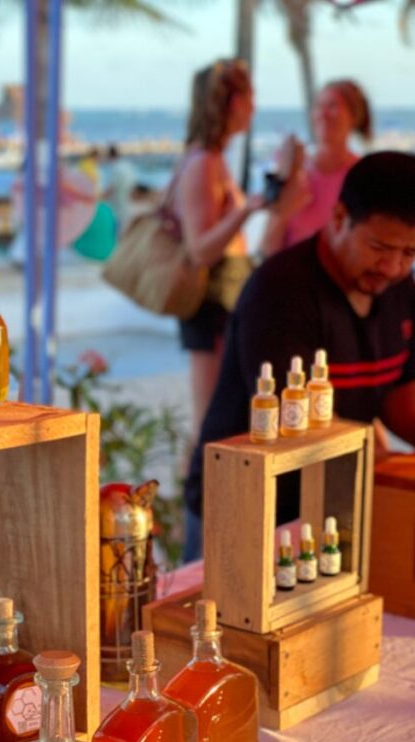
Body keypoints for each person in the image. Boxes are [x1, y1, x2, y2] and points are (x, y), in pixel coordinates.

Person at [185, 151, 415, 556]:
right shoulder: (280, 292)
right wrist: (385, 464)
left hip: (329, 507)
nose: (394, 267)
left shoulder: (400, 290)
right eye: (380, 247)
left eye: (410, 253)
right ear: (340, 218)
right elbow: (300, 425)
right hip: (247, 507)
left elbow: (401, 397)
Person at [172, 58, 264, 481]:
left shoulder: (211, 159)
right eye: (250, 96)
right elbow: (200, 249)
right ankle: (193, 518)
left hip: (220, 302)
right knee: (208, 420)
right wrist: (247, 211)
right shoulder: (203, 163)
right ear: (234, 102)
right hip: (209, 303)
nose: (255, 106)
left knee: (217, 416)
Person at [261, 79, 372, 257]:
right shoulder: (292, 167)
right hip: (291, 276)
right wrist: (283, 211)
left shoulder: (364, 175)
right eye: (319, 106)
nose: (323, 113)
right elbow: (267, 248)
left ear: (354, 116)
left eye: (333, 106)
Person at [103, 144, 135, 236]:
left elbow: (111, 188)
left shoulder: (116, 168)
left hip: (116, 204)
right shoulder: (127, 165)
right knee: (122, 229)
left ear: (109, 156)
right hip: (126, 202)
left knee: (115, 231)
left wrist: (100, 199)